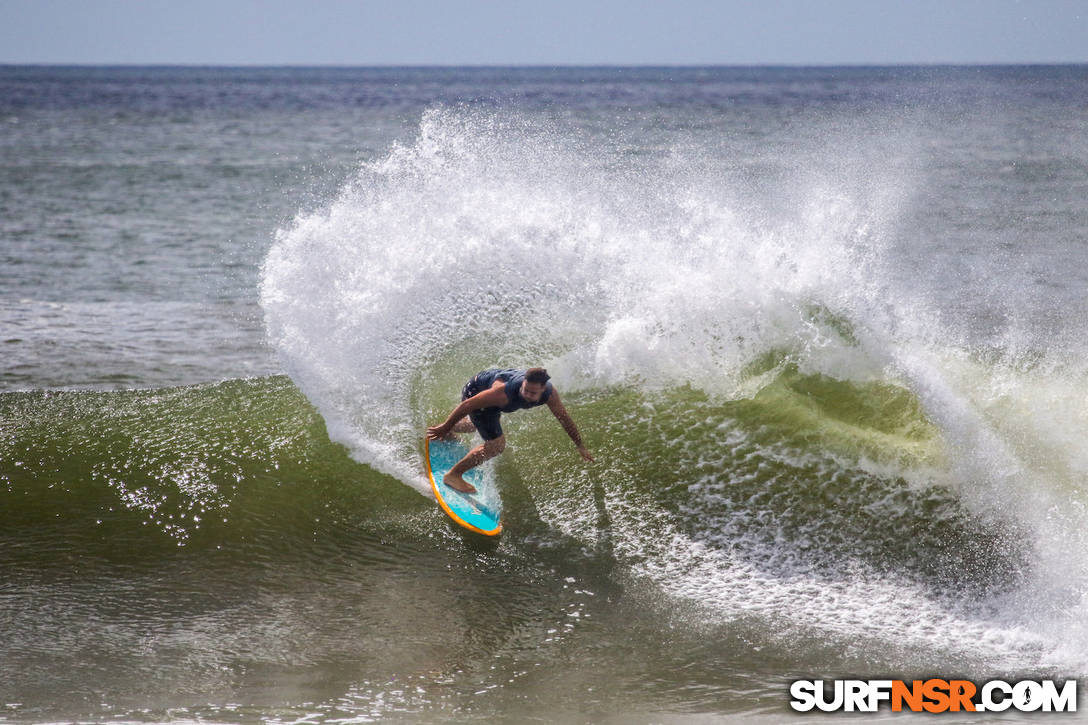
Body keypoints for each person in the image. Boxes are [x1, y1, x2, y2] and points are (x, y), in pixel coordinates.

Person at [426, 367, 594, 493]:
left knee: (474, 426)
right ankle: (453, 475)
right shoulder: (502, 393)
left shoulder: (550, 394)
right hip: (475, 390)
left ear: (544, 389)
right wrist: (445, 426)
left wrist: (580, 444)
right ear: (523, 383)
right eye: (525, 389)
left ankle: (446, 430)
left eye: (532, 393)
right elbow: (467, 405)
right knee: (496, 445)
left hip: (487, 386)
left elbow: (564, 418)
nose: (527, 394)